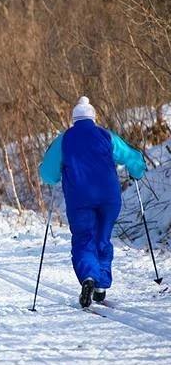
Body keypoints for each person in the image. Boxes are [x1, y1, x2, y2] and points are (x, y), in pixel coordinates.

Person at [39, 96, 146, 307]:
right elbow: (132, 157)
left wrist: (56, 175)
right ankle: (101, 284)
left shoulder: (64, 139)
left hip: (80, 199)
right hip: (109, 198)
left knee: (84, 238)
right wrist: (138, 171)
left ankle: (89, 277)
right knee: (103, 238)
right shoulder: (106, 136)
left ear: (74, 119)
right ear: (93, 118)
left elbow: (48, 174)